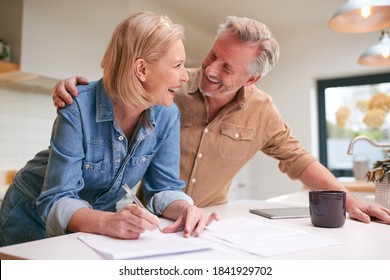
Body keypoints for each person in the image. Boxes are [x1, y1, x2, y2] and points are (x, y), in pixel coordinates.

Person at [52, 15, 390, 224]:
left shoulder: (261, 111)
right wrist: (82, 89)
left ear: (251, 79)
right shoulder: (170, 89)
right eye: (213, 54)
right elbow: (121, 88)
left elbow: (298, 160)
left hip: (210, 219)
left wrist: (349, 200)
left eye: (227, 67)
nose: (210, 70)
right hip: (149, 218)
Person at [0, 11, 218, 247]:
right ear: (142, 69)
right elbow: (57, 198)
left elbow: (164, 188)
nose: (185, 76)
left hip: (97, 224)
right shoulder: (77, 106)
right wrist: (107, 222)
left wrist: (186, 208)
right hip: (30, 217)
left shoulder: (168, 115)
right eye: (177, 65)